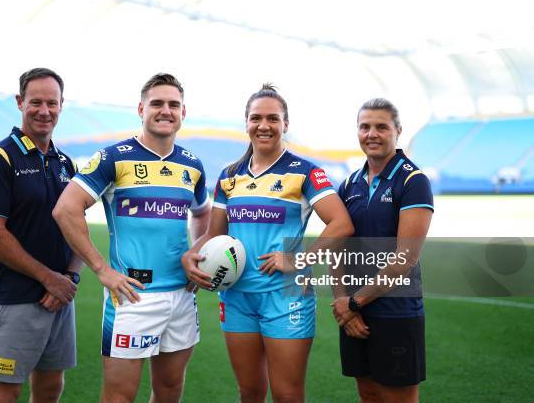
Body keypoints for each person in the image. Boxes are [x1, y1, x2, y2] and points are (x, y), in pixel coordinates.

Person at [182, 84, 354, 403]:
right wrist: (190, 257)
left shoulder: (305, 172)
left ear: (285, 124)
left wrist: (297, 261)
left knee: (287, 394)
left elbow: (341, 223)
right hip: (236, 295)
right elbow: (213, 235)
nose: (264, 126)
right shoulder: (229, 176)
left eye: (273, 118)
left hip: (286, 295)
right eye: (256, 118)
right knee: (250, 392)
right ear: (246, 122)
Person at [52, 73, 211, 403]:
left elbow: (202, 213)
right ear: (141, 108)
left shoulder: (192, 165)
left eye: (173, 105)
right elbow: (66, 210)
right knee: (119, 397)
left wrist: (198, 254)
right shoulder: (113, 157)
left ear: (184, 112)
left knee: (169, 392)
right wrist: (101, 269)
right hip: (132, 297)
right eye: (157, 103)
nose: (165, 110)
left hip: (182, 295)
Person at [0, 67, 82, 402]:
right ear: (20, 102)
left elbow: (77, 225)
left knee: (51, 387)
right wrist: (49, 279)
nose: (44, 111)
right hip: (15, 297)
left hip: (60, 298)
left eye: (52, 103)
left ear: (62, 105)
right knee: (4, 392)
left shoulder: (66, 163)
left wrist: (69, 280)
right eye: (36, 102)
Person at [332, 98, 434, 403]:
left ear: (398, 130)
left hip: (396, 312)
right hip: (353, 311)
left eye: (381, 126)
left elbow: (406, 257)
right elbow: (338, 248)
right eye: (365, 126)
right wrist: (342, 302)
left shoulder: (414, 181)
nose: (372, 134)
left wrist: (353, 303)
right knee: (369, 394)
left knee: (398, 398)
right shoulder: (350, 184)